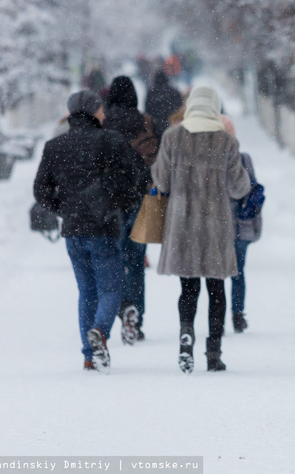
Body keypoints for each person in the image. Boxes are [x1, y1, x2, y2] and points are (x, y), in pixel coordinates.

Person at [33, 91, 137, 372]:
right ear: (93, 112)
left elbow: (40, 191)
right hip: (103, 227)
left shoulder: (55, 146)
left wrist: (64, 209)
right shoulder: (111, 141)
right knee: (111, 287)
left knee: (86, 291)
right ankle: (100, 333)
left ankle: (89, 355)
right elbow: (129, 184)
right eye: (101, 109)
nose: (104, 113)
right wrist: (117, 205)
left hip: (73, 229)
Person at [151, 86, 250, 373]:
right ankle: (214, 352)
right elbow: (238, 187)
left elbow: (162, 180)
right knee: (217, 290)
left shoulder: (173, 137)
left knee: (188, 288)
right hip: (216, 225)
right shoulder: (226, 141)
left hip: (183, 225)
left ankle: (186, 336)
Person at [104, 75, 158, 343]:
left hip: (111, 201)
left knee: (114, 258)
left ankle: (122, 307)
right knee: (136, 259)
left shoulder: (103, 123)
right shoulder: (145, 122)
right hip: (141, 198)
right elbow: (155, 159)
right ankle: (136, 316)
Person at [223, 116, 263, 333]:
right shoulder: (244, 159)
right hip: (242, 225)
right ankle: (238, 314)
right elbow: (252, 189)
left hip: (219, 228)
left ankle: (218, 316)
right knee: (238, 272)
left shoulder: (211, 160)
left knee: (218, 275)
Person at [145, 70, 183, 142]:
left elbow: (147, 111)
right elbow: (180, 108)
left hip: (156, 127)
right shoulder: (174, 92)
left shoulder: (151, 93)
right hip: (173, 125)